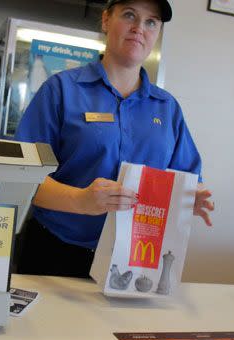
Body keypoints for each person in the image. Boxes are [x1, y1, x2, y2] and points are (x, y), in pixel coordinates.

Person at [13, 0, 214, 278]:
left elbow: (187, 177)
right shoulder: (61, 90)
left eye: (150, 22)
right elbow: (20, 179)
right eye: (129, 15)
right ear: (106, 19)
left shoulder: (167, 108)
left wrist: (190, 196)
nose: (139, 29)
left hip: (135, 260)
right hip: (56, 252)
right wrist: (80, 200)